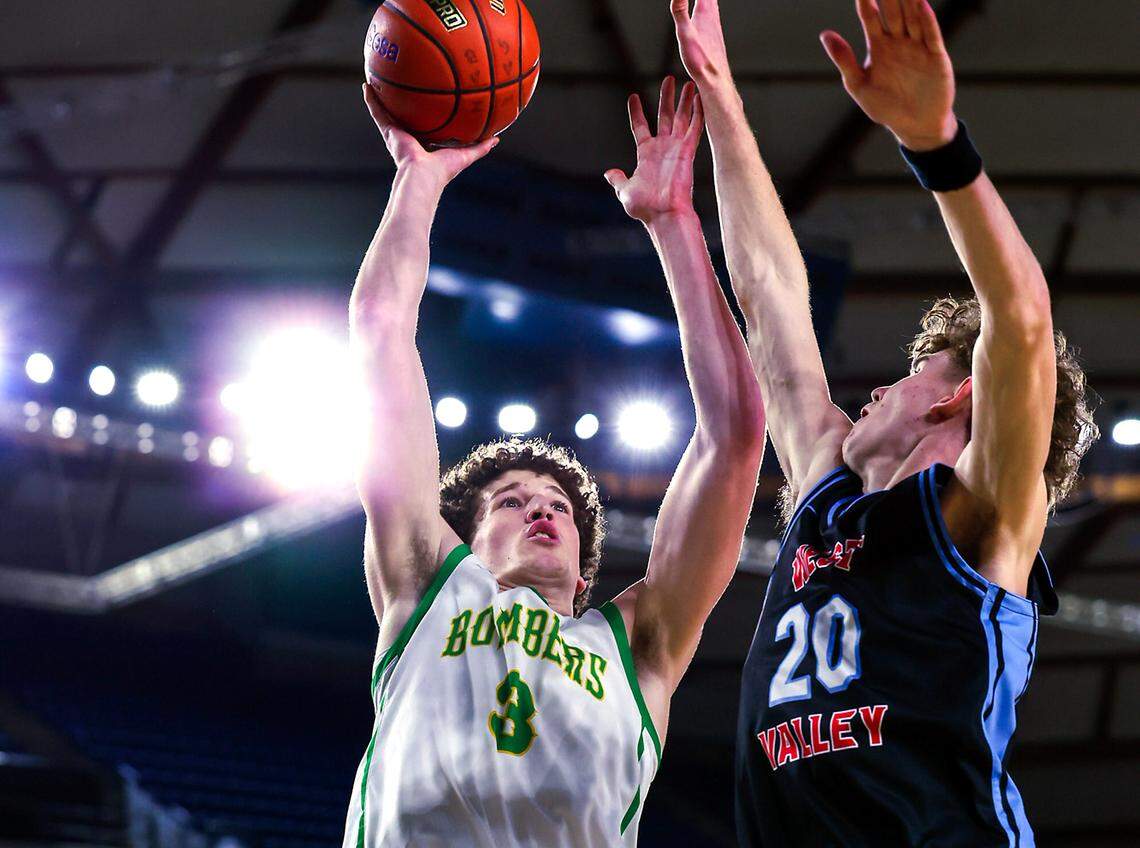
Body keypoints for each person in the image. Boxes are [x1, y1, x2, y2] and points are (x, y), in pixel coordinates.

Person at [670, 0, 1097, 844]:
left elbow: (1021, 324)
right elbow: (768, 301)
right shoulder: (827, 499)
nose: (871, 393)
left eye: (908, 375)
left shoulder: (985, 514)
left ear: (954, 397)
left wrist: (937, 145)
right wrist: (720, 98)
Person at [341, 76, 765, 847]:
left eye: (560, 507)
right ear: (463, 536)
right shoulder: (429, 584)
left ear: (584, 566)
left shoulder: (638, 647)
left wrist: (674, 225)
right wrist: (418, 180)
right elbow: (378, 328)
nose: (542, 508)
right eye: (512, 501)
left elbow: (736, 435)